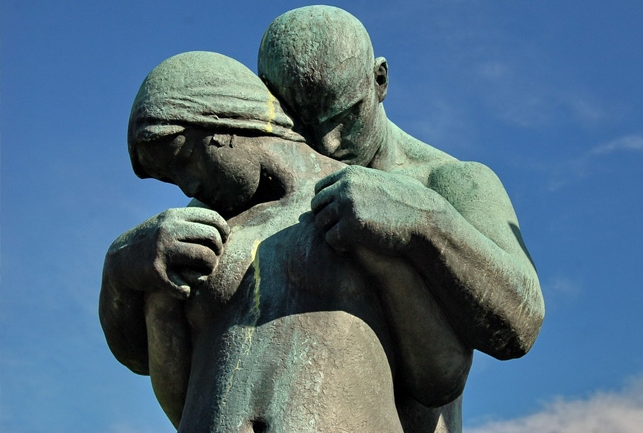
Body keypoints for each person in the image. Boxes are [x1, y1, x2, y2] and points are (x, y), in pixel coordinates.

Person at [100, 51, 473, 432]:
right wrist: (122, 270)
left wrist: (405, 241)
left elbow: (439, 376)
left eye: (184, 158)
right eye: (171, 178)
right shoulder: (197, 237)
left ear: (225, 123)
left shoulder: (364, 202)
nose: (188, 185)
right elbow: (156, 374)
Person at [257, 5, 545, 431]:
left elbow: (522, 325)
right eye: (302, 123)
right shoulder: (259, 187)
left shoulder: (450, 182)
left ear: (380, 80)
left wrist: (426, 222)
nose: (328, 143)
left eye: (345, 116)